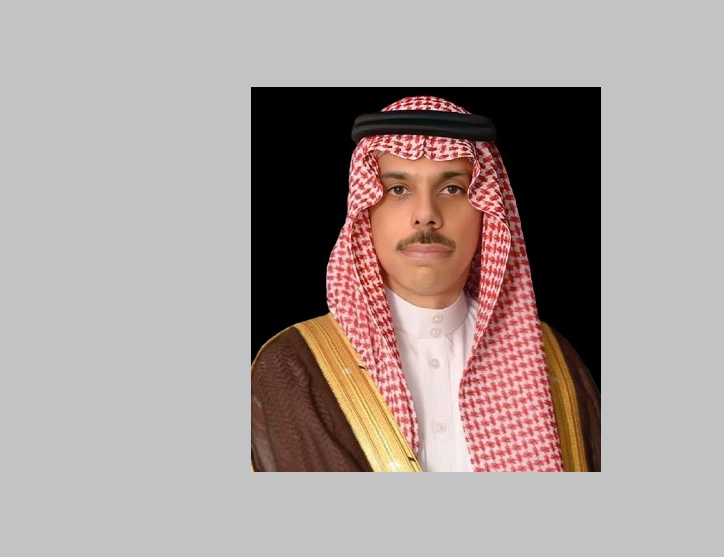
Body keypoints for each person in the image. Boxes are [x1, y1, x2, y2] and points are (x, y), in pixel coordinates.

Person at [251, 95, 600, 472]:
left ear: (486, 212)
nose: (426, 215)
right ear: (366, 211)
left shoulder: (554, 364)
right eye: (398, 190)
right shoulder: (293, 366)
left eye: (452, 189)